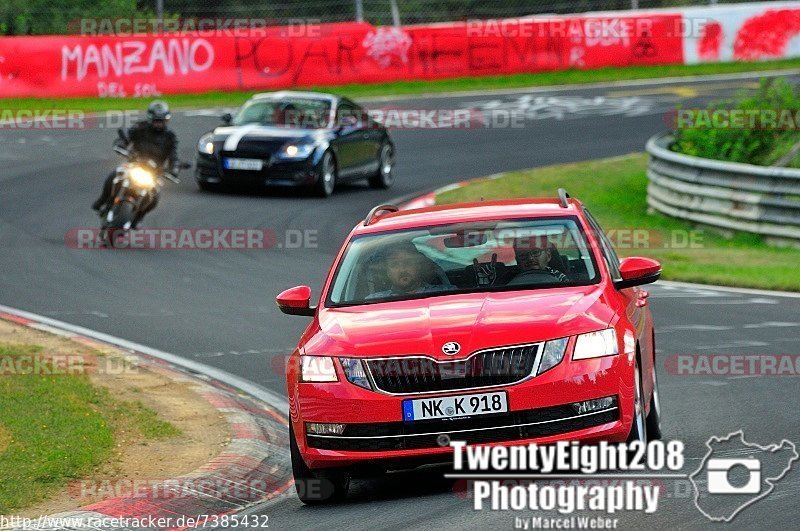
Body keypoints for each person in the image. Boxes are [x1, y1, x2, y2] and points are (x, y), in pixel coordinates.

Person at [91, 101, 179, 221]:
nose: (158, 124)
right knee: (115, 174)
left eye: (161, 121)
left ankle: (138, 218)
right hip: (135, 163)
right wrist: (121, 144)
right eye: (156, 121)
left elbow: (174, 156)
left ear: (166, 120)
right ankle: (103, 200)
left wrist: (173, 169)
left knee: (155, 197)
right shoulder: (140, 128)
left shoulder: (170, 137)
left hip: (153, 172)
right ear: (150, 119)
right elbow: (127, 136)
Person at [367, 242, 450, 299]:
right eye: (394, 264)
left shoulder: (446, 293)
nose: (402, 269)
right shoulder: (372, 302)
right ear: (388, 272)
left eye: (408, 262)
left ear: (418, 266)